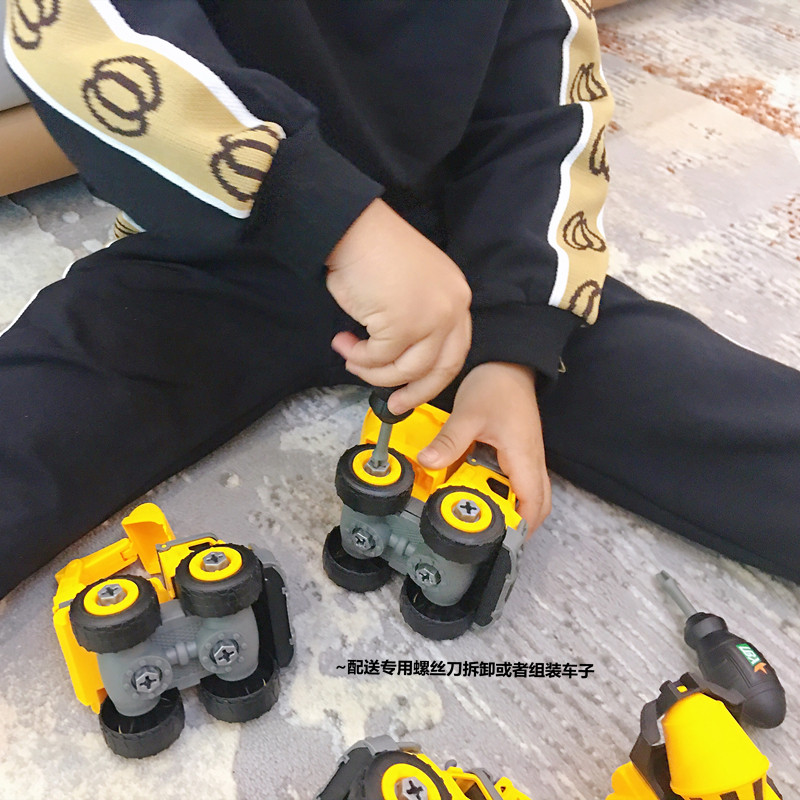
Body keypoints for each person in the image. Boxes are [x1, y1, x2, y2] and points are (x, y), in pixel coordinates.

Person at [1, 0, 798, 600]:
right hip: (212, 243)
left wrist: (514, 345)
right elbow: (78, 27)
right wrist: (320, 210)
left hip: (458, 262)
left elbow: (547, 103)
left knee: (715, 419)